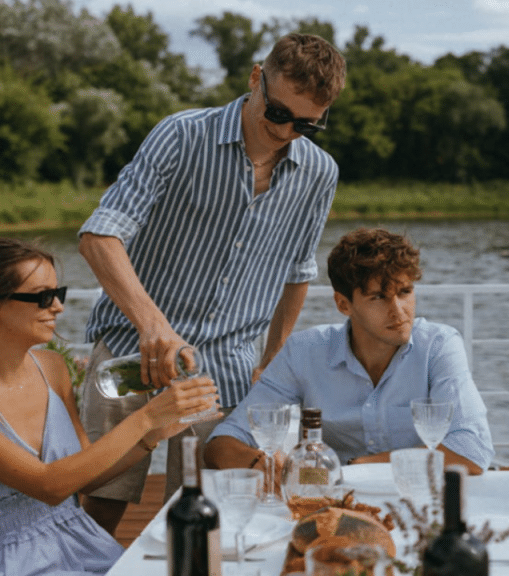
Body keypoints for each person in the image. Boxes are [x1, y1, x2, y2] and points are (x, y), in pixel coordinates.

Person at [76, 33, 347, 532]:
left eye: (307, 124)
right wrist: (152, 325)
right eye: (279, 113)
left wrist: (272, 360)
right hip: (131, 354)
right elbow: (99, 236)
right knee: (102, 506)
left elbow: (297, 270)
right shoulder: (180, 135)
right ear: (254, 80)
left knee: (219, 514)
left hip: (226, 369)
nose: (287, 132)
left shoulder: (319, 172)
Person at [0, 238, 215, 576]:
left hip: (80, 542)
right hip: (7, 563)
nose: (57, 307)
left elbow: (85, 480)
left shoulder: (51, 367)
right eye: (43, 297)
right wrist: (144, 419)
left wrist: (154, 435)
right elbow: (50, 486)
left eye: (60, 294)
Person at [204, 228, 495, 476]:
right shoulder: (304, 351)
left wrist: (363, 467)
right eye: (379, 297)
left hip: (422, 497)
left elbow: (471, 449)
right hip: (336, 499)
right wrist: (263, 465)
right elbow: (221, 444)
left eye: (405, 292)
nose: (399, 312)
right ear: (343, 304)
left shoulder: (439, 346)